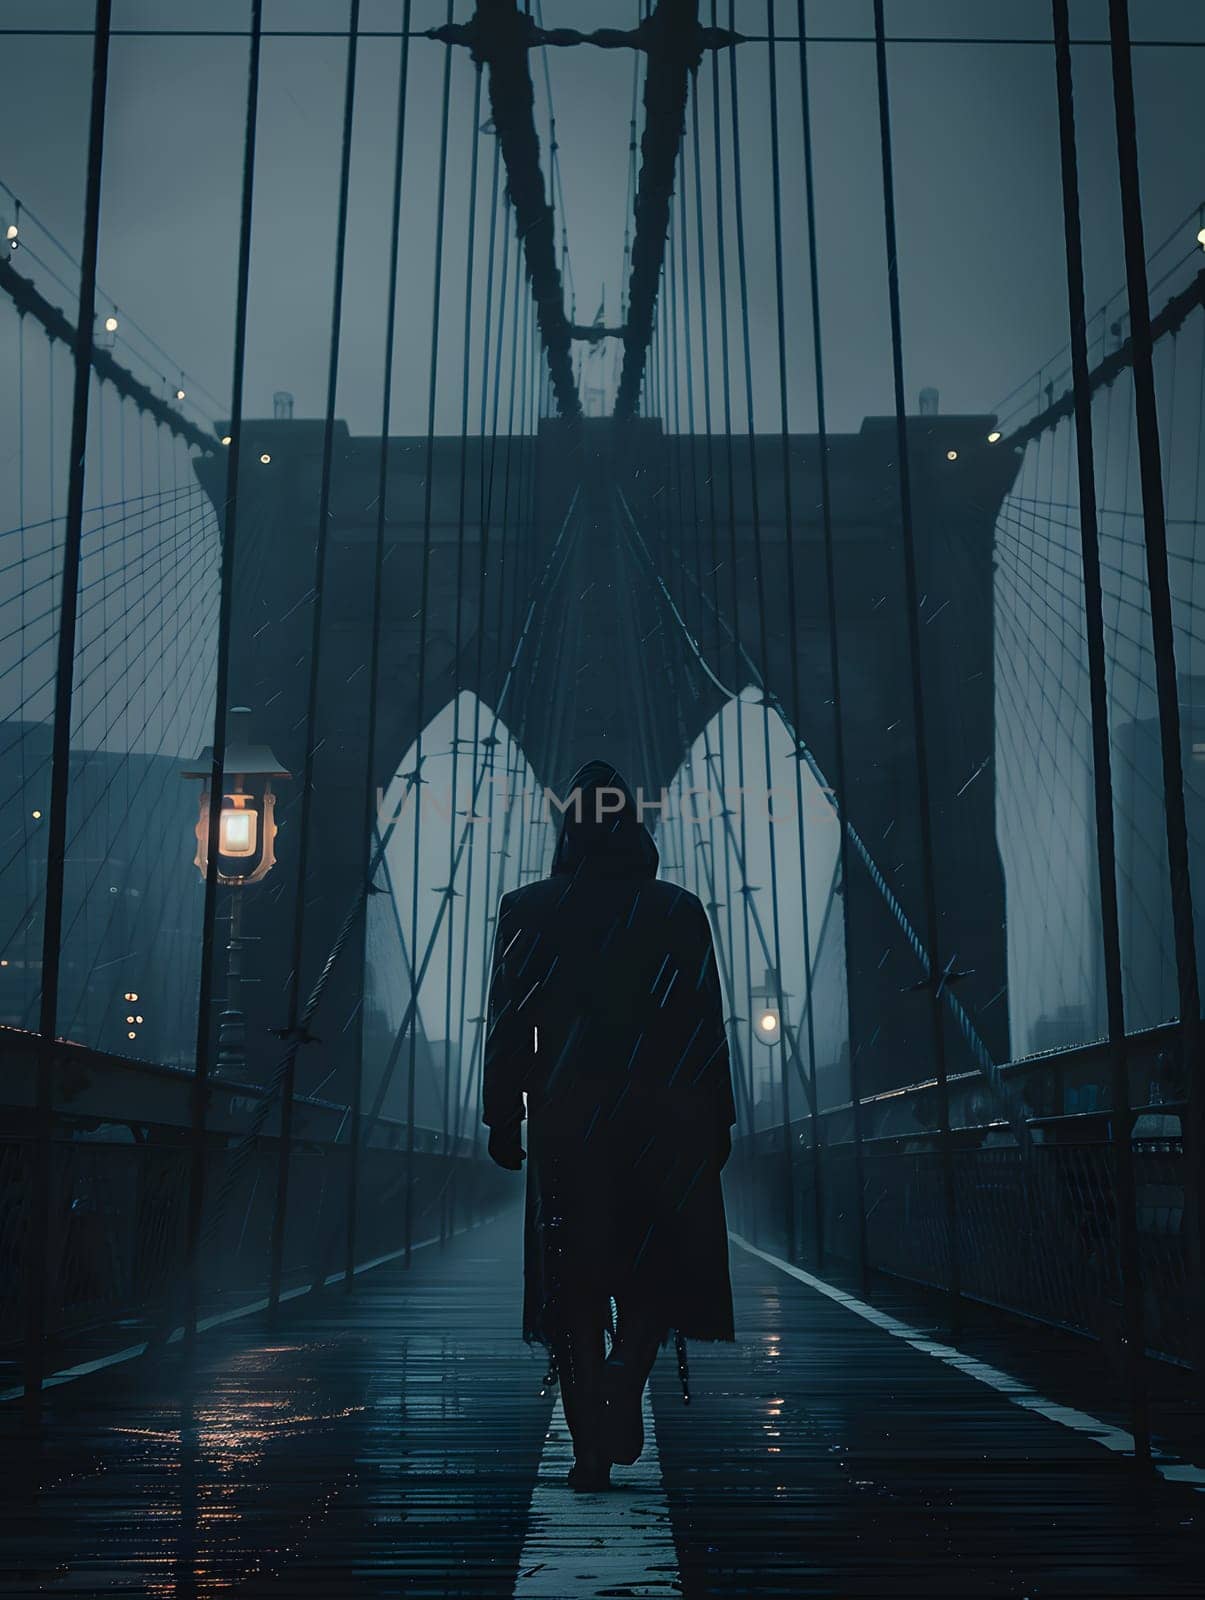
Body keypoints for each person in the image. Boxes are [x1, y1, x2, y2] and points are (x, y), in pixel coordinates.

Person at [483, 760, 736, 1491]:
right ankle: (626, 1373)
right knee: (653, 1264)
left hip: (570, 1120)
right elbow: (705, 1024)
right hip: (666, 1118)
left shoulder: (528, 909)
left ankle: (589, 1451)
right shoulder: (678, 909)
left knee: (575, 1283)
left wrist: (503, 1115)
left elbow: (508, 1026)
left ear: (568, 828)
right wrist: (717, 1118)